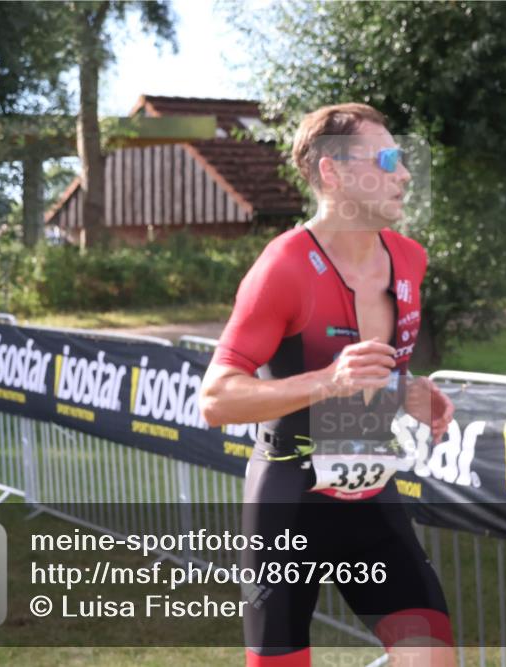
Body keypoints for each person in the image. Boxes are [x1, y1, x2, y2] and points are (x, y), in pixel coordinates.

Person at [200, 102, 456, 667]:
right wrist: (326, 380)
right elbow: (216, 400)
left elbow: (375, 367)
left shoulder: (410, 260)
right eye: (387, 159)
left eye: (403, 159)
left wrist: (407, 389)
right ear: (332, 173)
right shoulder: (284, 267)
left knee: (433, 657)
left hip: (371, 498)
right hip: (290, 504)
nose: (405, 174)